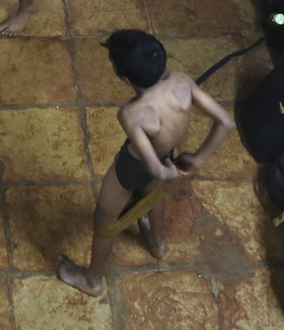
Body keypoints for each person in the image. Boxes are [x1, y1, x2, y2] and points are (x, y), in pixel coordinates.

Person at [55, 30, 235, 297]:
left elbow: (156, 170)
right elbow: (225, 122)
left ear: (125, 79)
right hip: (165, 153)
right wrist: (197, 159)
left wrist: (170, 173)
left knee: (105, 219)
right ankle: (157, 243)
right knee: (150, 194)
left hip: (132, 169)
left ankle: (91, 281)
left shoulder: (132, 114)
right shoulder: (181, 80)